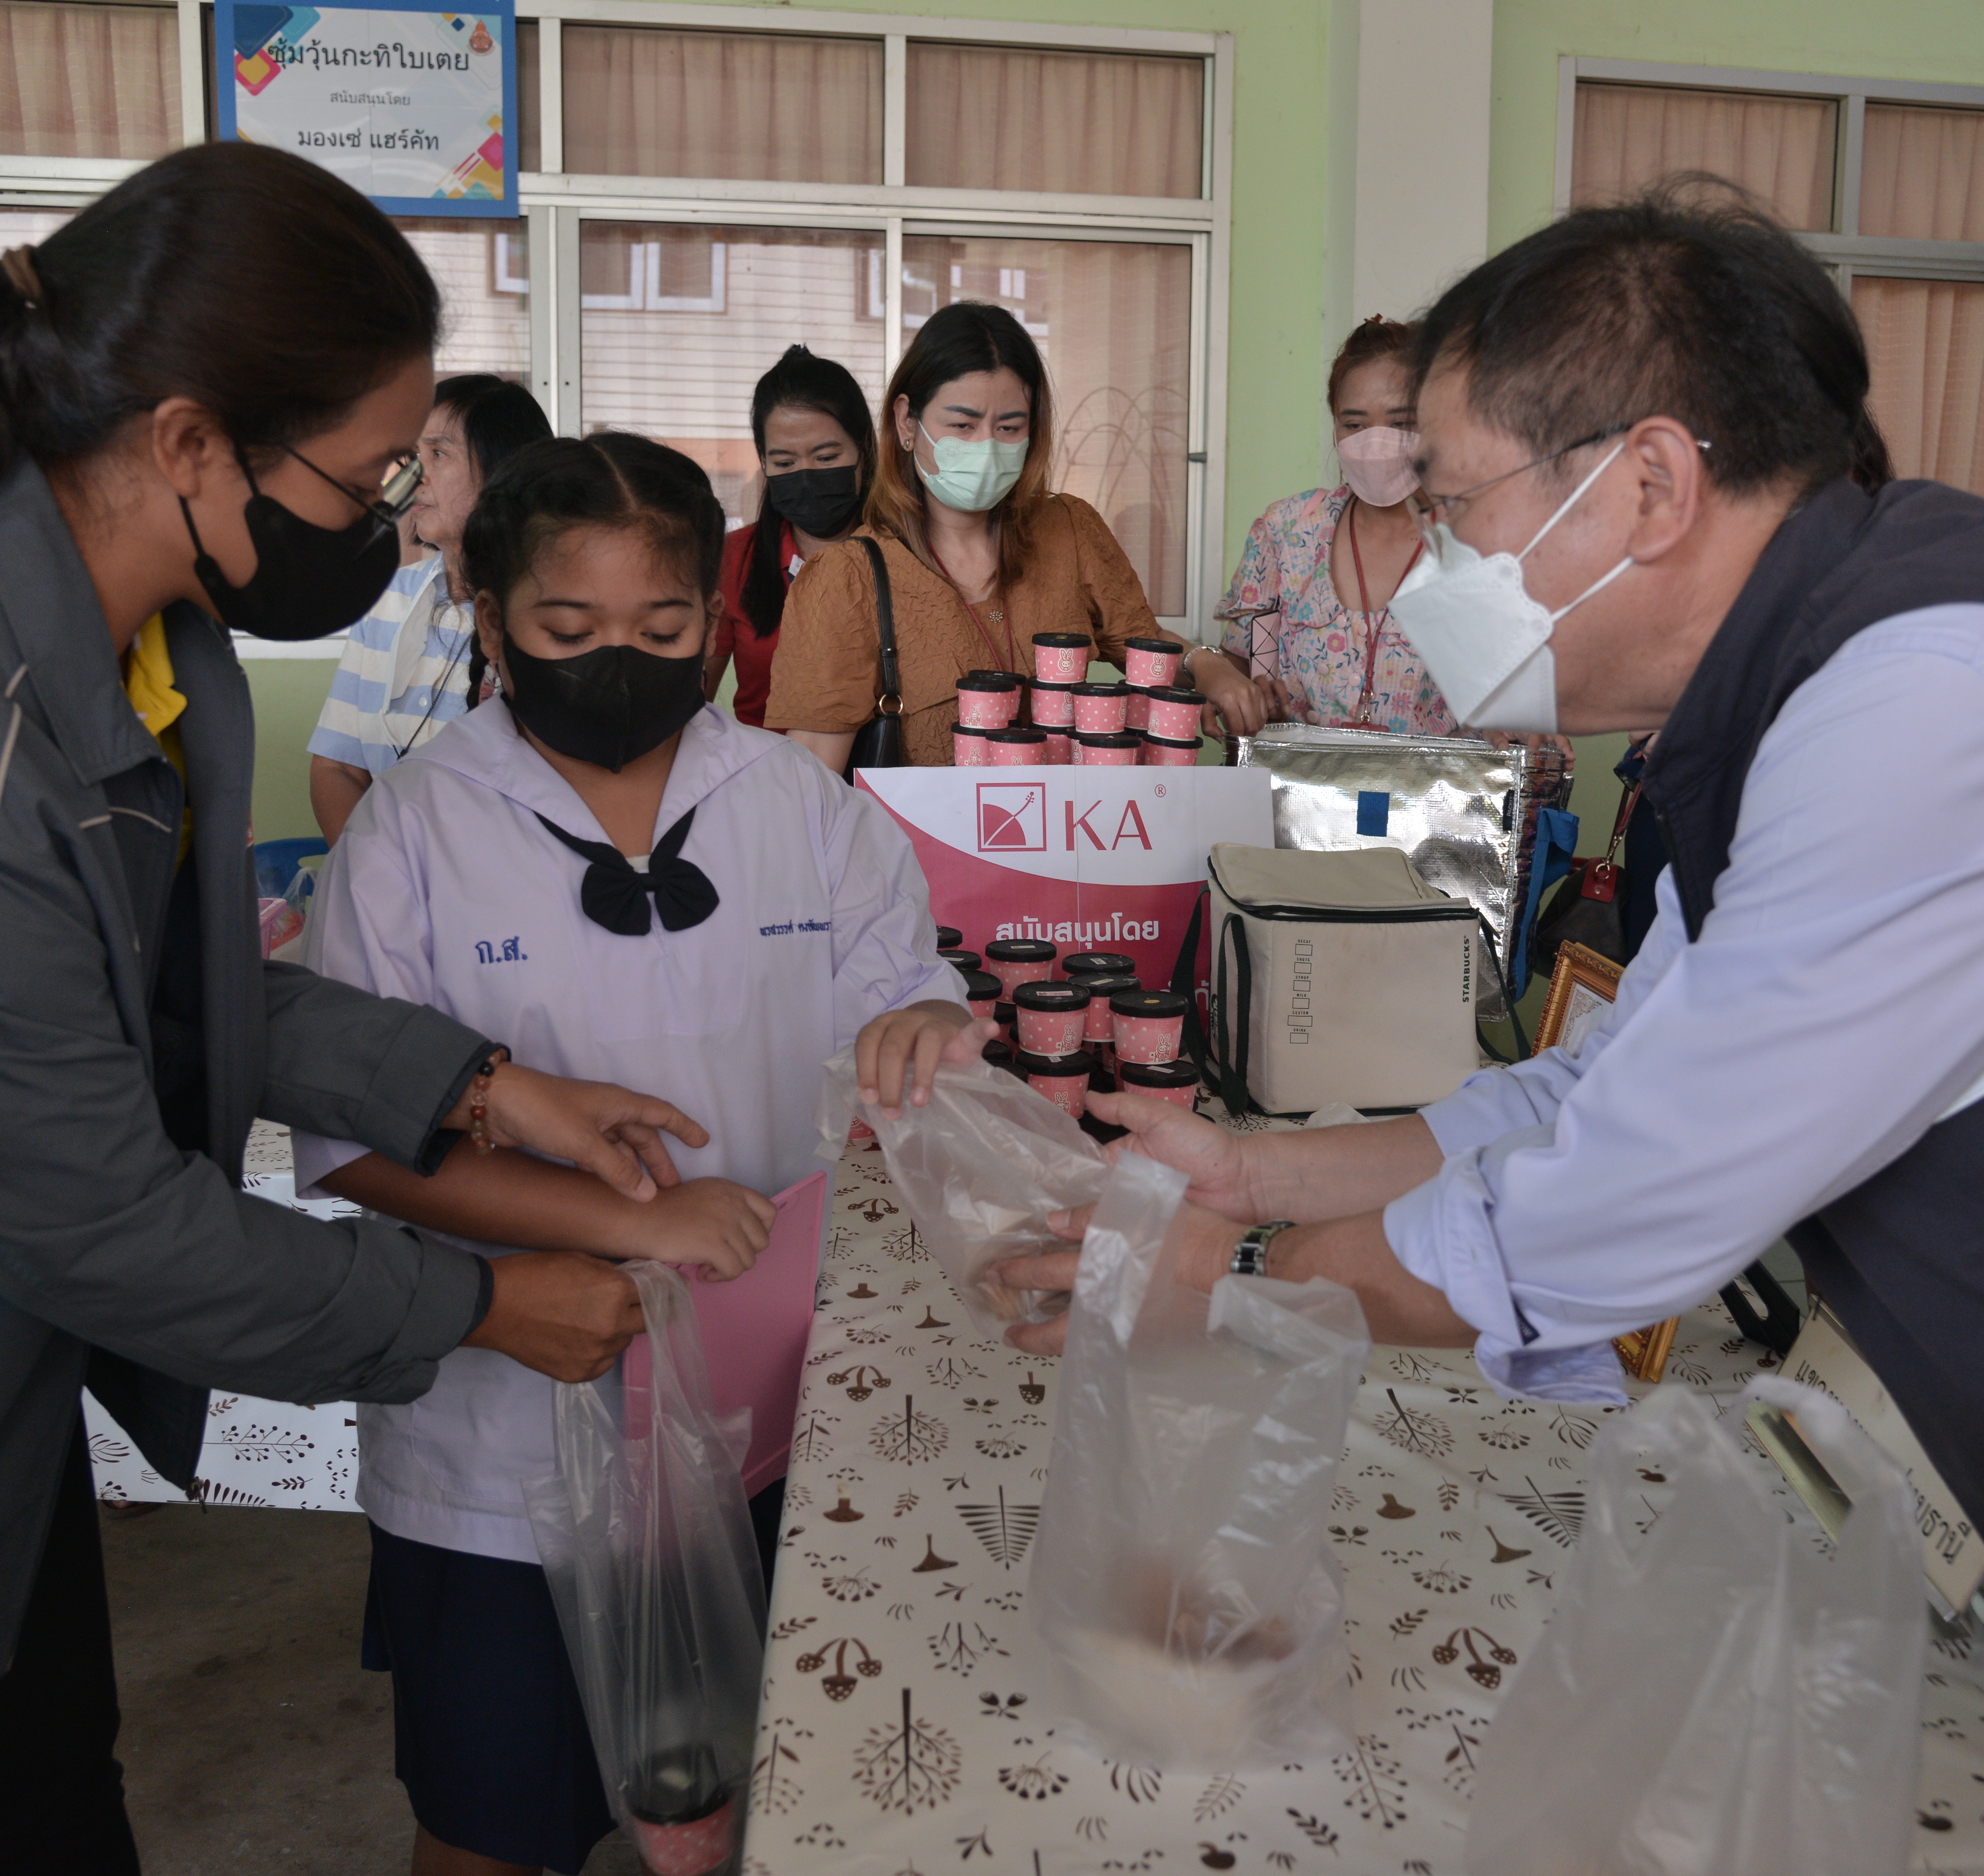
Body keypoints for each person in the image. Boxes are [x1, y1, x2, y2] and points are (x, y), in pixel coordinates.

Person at [997, 183, 1984, 1690]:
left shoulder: (1935, 699)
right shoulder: (1797, 702)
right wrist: (1253, 1174)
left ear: (1647, 485)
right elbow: (1598, 1084)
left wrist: (1231, 1276)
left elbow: (1619, 1198)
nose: (1436, 564)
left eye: (1456, 507)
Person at [0, 144, 716, 1875]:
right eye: (370, 480)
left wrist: (485, 1087)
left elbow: (174, 994)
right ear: (193, 444)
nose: (393, 526)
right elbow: (104, 1223)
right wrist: (484, 1300)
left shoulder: (141, 647)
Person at [291, 433, 980, 1876]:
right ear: (492, 622)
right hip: (503, 1445)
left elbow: (900, 1001)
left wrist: (923, 1020)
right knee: (495, 1814)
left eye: (663, 630)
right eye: (569, 628)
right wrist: (633, 1223)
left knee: (751, 1792)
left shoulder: (798, 805)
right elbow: (357, 1141)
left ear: (714, 627)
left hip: (763, 1409)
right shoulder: (414, 830)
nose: (619, 660)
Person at [765, 302, 1266, 767]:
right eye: (963, 426)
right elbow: (813, 781)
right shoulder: (846, 580)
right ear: (906, 422)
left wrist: (1208, 666)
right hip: (924, 837)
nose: (987, 447)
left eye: (1009, 428)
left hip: (1072, 831)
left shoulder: (1070, 530)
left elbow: (1145, 645)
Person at [308, 373, 551, 841]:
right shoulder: (385, 599)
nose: (414, 478)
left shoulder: (547, 616)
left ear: (505, 471)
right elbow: (337, 767)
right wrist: (371, 871)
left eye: (438, 454)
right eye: (412, 458)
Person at [1215, 316, 1465, 733]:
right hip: (1296, 776)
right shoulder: (1285, 533)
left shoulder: (1475, 539)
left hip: (1439, 778)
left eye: (1402, 423)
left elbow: (1515, 688)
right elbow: (1242, 669)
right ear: (1335, 430)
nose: (1376, 443)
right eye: (1355, 425)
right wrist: (1254, 695)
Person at [704, 345, 876, 727]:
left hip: (881, 764)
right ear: (764, 462)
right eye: (785, 463)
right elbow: (693, 703)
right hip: (766, 762)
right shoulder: (735, 558)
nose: (807, 476)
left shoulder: (904, 554)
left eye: (827, 458)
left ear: (863, 450)